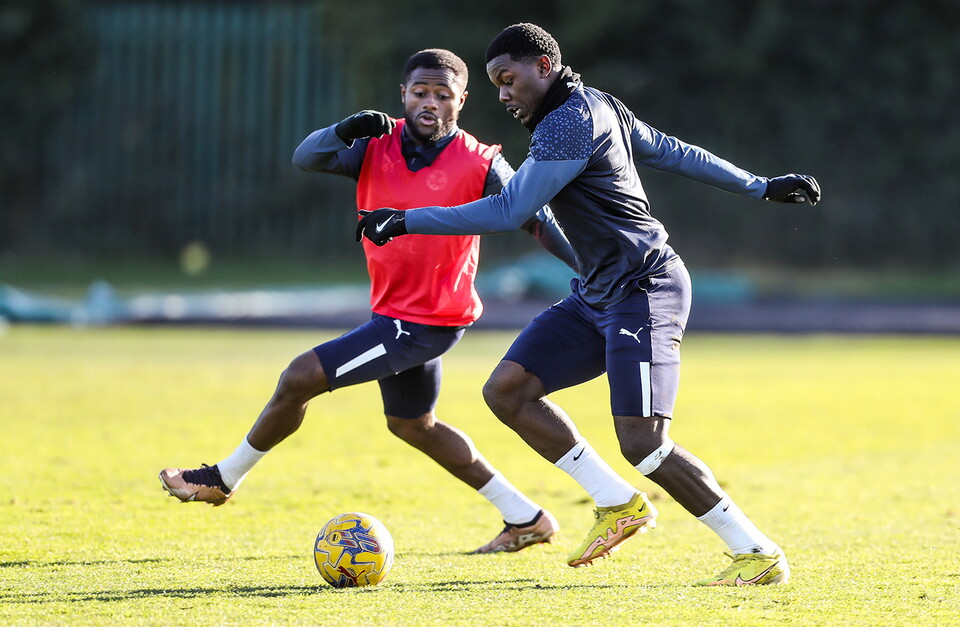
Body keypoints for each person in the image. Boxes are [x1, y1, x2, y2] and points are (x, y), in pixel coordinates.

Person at [357, 24, 821, 585]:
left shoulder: (569, 123)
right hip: (595, 294)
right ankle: (617, 504)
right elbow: (673, 151)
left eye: (509, 80)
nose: (503, 95)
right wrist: (758, 185)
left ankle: (758, 553)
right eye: (496, 84)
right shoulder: (599, 106)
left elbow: (508, 211)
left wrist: (407, 219)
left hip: (644, 290)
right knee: (508, 391)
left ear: (545, 67)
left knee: (643, 444)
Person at [159, 48, 582, 555]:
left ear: (461, 101)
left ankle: (222, 479)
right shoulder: (374, 147)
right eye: (420, 92)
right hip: (394, 314)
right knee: (412, 424)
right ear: (402, 95)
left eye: (443, 95)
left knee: (299, 378)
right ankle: (527, 518)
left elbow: (538, 219)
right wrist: (345, 128)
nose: (430, 103)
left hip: (427, 321)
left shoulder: (482, 160)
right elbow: (306, 157)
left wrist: (589, 266)